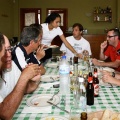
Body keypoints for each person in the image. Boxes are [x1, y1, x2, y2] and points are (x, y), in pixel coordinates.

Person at [0, 33, 40, 119]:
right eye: (5, 51)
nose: (9, 55)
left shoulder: (11, 66)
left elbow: (26, 88)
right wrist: (24, 77)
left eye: (9, 49)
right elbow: (4, 114)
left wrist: (34, 80)